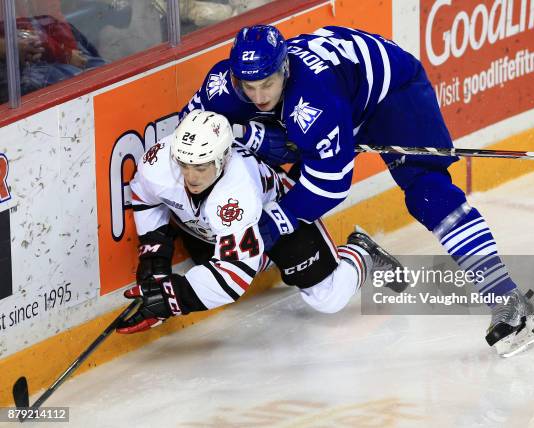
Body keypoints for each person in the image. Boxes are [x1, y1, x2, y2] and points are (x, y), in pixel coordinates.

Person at [179, 25, 534, 357]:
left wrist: (273, 225)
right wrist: (258, 140)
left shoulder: (314, 101)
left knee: (428, 194)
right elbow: (189, 133)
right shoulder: (222, 88)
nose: (259, 96)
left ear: (285, 69)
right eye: (249, 86)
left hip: (392, 94)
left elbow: (329, 185)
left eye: (268, 85)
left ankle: (507, 297)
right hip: (339, 98)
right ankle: (359, 254)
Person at [116, 109, 401, 334]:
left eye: (200, 167)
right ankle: (259, 258)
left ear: (222, 159)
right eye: (184, 165)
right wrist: (155, 255)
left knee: (328, 298)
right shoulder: (159, 163)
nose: (190, 176)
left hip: (278, 217)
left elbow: (233, 279)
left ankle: (362, 252)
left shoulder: (237, 193)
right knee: (213, 260)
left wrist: (170, 299)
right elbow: (144, 194)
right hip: (221, 233)